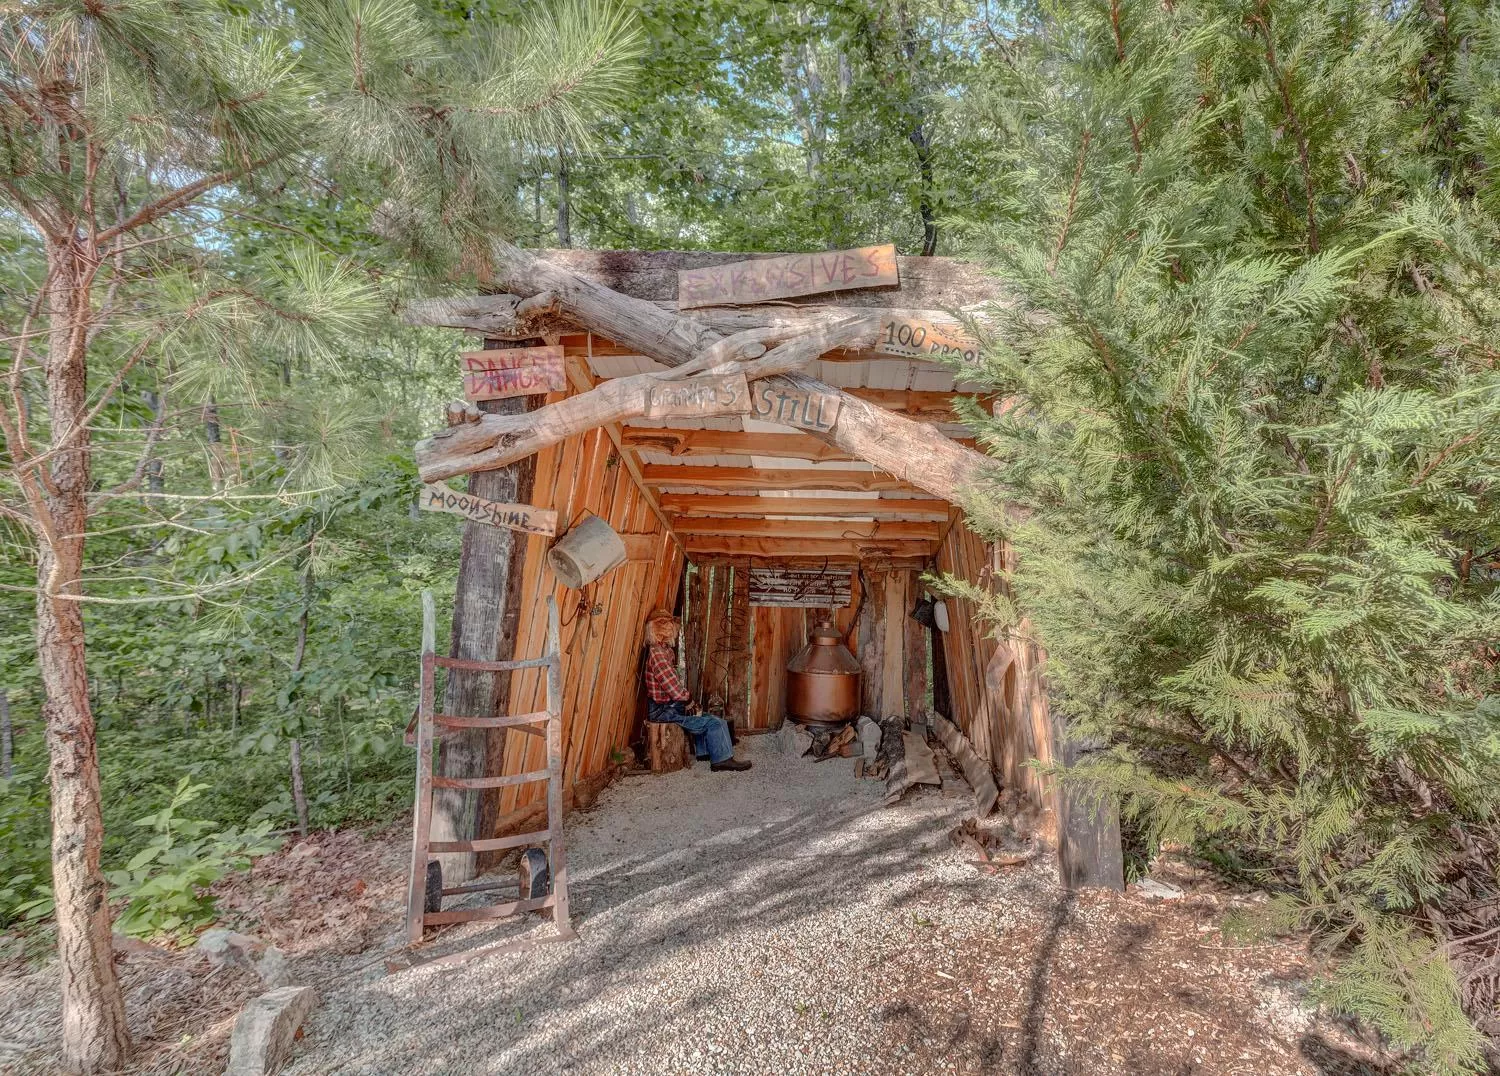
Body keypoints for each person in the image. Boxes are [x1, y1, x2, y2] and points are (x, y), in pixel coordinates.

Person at [643, 611, 751, 772]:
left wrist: (688, 702)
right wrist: (688, 701)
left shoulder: (663, 650)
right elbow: (674, 689)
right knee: (715, 723)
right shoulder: (658, 655)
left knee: (705, 717)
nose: (673, 631)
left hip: (668, 707)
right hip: (663, 711)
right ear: (662, 631)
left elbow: (673, 687)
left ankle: (704, 753)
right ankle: (722, 760)